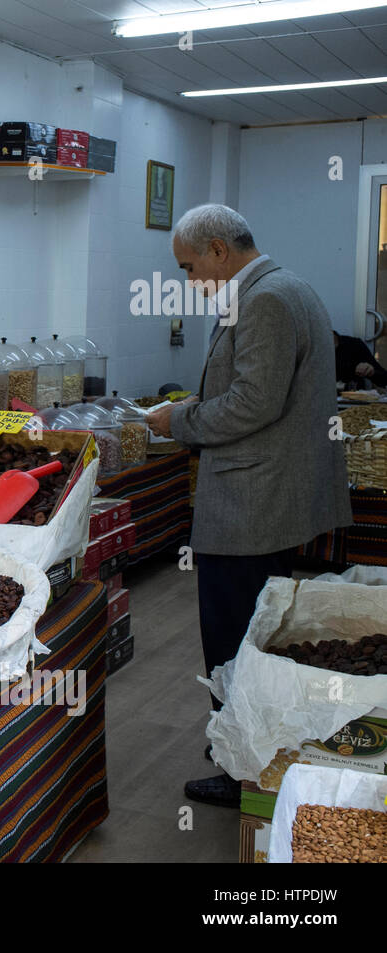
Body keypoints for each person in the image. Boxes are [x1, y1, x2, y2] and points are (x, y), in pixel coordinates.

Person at [146, 205, 352, 809]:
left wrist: (177, 419)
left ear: (217, 250)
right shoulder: (288, 285)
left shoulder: (264, 299)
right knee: (257, 632)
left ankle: (244, 769)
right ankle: (252, 748)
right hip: (272, 491)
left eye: (189, 268)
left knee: (235, 640)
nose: (189, 282)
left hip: (251, 501)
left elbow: (253, 404)